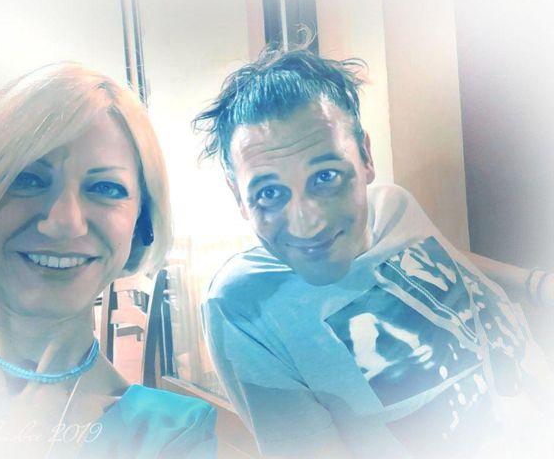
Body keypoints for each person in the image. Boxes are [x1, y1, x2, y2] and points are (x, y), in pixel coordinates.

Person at [194, 48, 553, 458]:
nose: (307, 223)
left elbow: (448, 264)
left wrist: (537, 284)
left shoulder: (393, 205)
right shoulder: (243, 306)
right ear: (237, 196)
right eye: (269, 193)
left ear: (365, 156)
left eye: (326, 176)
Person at [0, 63, 216, 458]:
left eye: (105, 187)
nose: (64, 222)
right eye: (27, 179)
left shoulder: (172, 434)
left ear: (140, 225)